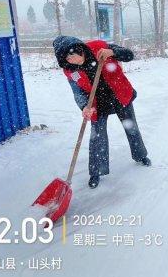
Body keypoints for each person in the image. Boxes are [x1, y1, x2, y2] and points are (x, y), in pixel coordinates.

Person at [53, 36, 151, 189]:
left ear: (79, 49)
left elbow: (129, 55)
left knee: (130, 127)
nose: (71, 60)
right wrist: (85, 106)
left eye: (72, 55)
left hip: (119, 93)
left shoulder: (99, 47)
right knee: (96, 137)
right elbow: (77, 92)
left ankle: (141, 155)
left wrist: (112, 52)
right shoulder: (70, 70)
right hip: (97, 103)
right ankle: (96, 171)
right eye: (66, 58)